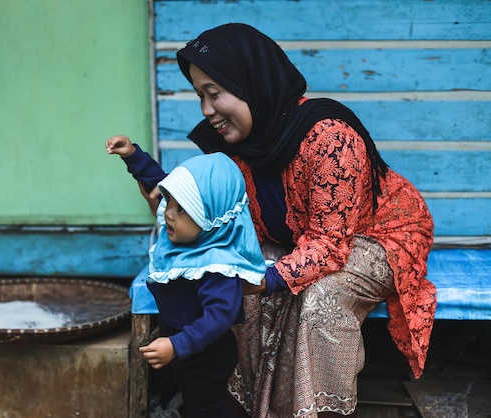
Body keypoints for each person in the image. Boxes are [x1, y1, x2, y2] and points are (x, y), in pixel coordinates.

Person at [138, 23, 437, 417]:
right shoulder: (235, 148)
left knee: (319, 301)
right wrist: (165, 203)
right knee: (227, 286)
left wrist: (262, 279)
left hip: (376, 232)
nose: (207, 110)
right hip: (297, 238)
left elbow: (330, 243)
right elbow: (212, 220)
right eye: (200, 96)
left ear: (252, 83)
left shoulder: (329, 137)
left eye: (215, 94)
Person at [106, 135, 270, 417]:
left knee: (208, 408)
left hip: (204, 353)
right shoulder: (190, 239)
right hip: (181, 344)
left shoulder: (217, 265)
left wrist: (176, 345)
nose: (167, 214)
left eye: (181, 209)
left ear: (210, 218)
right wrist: (132, 155)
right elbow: (157, 181)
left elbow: (218, 318)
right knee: (191, 400)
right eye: (170, 203)